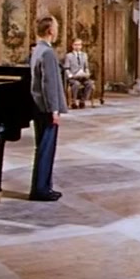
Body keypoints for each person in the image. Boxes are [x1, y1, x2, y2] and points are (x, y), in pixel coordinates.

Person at [29, 16, 67, 201]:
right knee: (46, 149)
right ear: (50, 30)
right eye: (56, 27)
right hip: (46, 108)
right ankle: (41, 189)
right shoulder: (48, 53)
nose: (58, 30)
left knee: (41, 148)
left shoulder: (37, 50)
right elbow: (49, 84)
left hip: (38, 106)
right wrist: (54, 110)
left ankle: (42, 186)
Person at [63, 38, 94, 109]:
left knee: (89, 83)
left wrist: (87, 73)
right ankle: (73, 101)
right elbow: (66, 68)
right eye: (76, 45)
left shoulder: (84, 55)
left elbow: (86, 67)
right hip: (73, 77)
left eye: (79, 45)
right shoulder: (69, 56)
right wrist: (70, 75)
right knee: (76, 84)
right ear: (72, 46)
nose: (77, 46)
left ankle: (82, 101)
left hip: (82, 76)